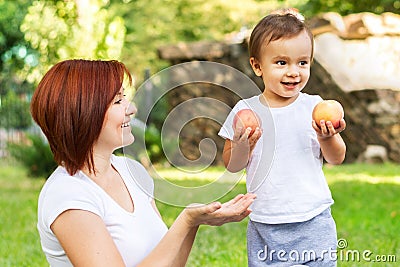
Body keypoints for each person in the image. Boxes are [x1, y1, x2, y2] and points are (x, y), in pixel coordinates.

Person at [31, 59, 256, 267]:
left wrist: (193, 222)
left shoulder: (131, 171)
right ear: (84, 112)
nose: (131, 109)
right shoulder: (68, 194)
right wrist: (185, 221)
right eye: (118, 101)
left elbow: (168, 263)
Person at [218, 9, 346, 266]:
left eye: (302, 62)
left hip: (313, 219)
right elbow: (232, 165)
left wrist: (327, 138)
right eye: (281, 63)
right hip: (266, 222)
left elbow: (337, 158)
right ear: (257, 66)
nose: (293, 72)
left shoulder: (315, 106)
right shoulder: (246, 111)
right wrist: (243, 145)